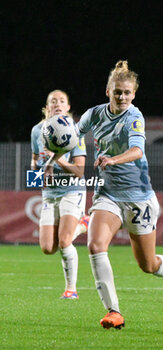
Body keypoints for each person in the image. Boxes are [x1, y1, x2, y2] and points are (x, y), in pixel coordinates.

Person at [77, 60, 163, 329]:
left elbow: (137, 151)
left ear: (134, 94)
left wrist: (112, 160)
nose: (122, 97)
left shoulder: (134, 117)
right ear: (108, 91)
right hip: (108, 195)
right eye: (118, 91)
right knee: (95, 246)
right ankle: (113, 311)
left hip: (138, 197)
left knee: (148, 265)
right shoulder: (94, 114)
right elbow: (73, 133)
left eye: (127, 92)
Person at [31, 89, 89, 299]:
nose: (57, 104)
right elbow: (34, 163)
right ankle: (84, 224)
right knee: (48, 247)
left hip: (72, 191)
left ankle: (71, 290)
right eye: (52, 101)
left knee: (65, 242)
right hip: (50, 194)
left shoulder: (75, 131)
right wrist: (39, 167)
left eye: (61, 101)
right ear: (47, 108)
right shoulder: (37, 131)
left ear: (68, 107)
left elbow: (80, 171)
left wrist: (56, 160)